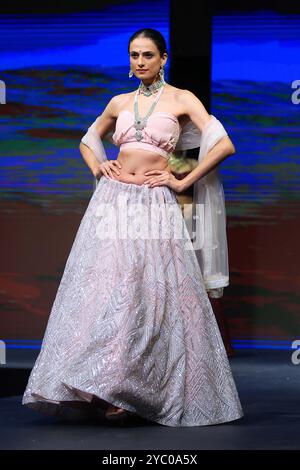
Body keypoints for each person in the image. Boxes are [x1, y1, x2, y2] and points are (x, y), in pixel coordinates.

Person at [22, 28, 244, 427]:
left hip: (153, 203)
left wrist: (181, 180)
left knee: (144, 293)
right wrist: (98, 165)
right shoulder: (119, 101)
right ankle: (94, 383)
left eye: (147, 55)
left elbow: (222, 143)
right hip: (112, 200)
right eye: (133, 55)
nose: (139, 62)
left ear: (164, 58)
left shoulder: (181, 99)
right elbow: (89, 139)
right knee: (105, 289)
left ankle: (131, 388)